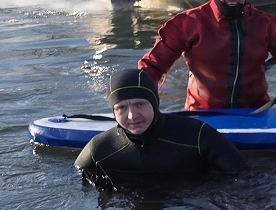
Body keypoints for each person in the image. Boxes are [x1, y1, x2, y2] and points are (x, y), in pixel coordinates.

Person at [139, 0, 276, 110]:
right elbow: (153, 65)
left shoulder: (267, 24)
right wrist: (140, 99)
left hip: (256, 111)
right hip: (202, 112)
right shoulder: (188, 23)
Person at [75, 68, 249, 189]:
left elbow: (245, 178)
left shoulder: (197, 136)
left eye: (139, 104)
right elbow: (75, 179)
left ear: (155, 103)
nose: (132, 116)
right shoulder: (100, 148)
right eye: (122, 108)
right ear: (113, 112)